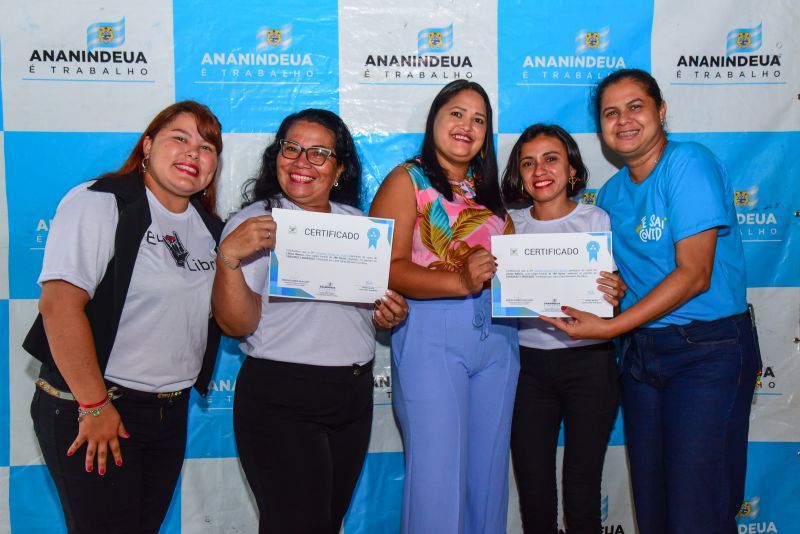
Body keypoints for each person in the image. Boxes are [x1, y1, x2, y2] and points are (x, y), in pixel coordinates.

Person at [541, 69, 760, 533]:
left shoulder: (688, 164)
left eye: (635, 107)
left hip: (707, 353)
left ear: (661, 111)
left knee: (697, 511)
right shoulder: (613, 194)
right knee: (655, 509)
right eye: (610, 113)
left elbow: (694, 274)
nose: (623, 120)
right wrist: (611, 293)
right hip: (642, 357)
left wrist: (609, 327)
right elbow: (622, 279)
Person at [24, 101, 225, 533]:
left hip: (168, 414)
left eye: (207, 146)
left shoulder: (210, 230)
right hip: (96, 407)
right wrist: (95, 406)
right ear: (148, 146)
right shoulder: (100, 203)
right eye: (180, 138)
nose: (194, 152)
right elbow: (59, 306)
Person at [210, 108, 407, 534]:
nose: (302, 161)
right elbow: (236, 325)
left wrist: (389, 315)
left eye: (319, 153)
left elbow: (370, 315)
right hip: (281, 399)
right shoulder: (253, 225)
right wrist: (228, 259)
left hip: (351, 396)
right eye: (292, 148)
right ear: (276, 156)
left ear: (339, 169)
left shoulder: (359, 228)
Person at [369, 80, 519, 533]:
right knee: (437, 482)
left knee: (488, 482)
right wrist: (457, 280)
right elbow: (385, 268)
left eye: (479, 119)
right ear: (434, 119)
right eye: (457, 113)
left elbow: (516, 273)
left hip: (499, 340)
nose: (467, 126)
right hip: (432, 337)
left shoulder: (489, 195)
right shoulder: (407, 179)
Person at [500, 124, 626, 534]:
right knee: (534, 490)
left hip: (590, 365)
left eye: (551, 158)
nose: (540, 169)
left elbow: (610, 297)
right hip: (527, 368)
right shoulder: (508, 226)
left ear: (571, 166)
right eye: (528, 162)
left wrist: (616, 292)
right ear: (519, 175)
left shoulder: (596, 218)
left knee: (582, 486)